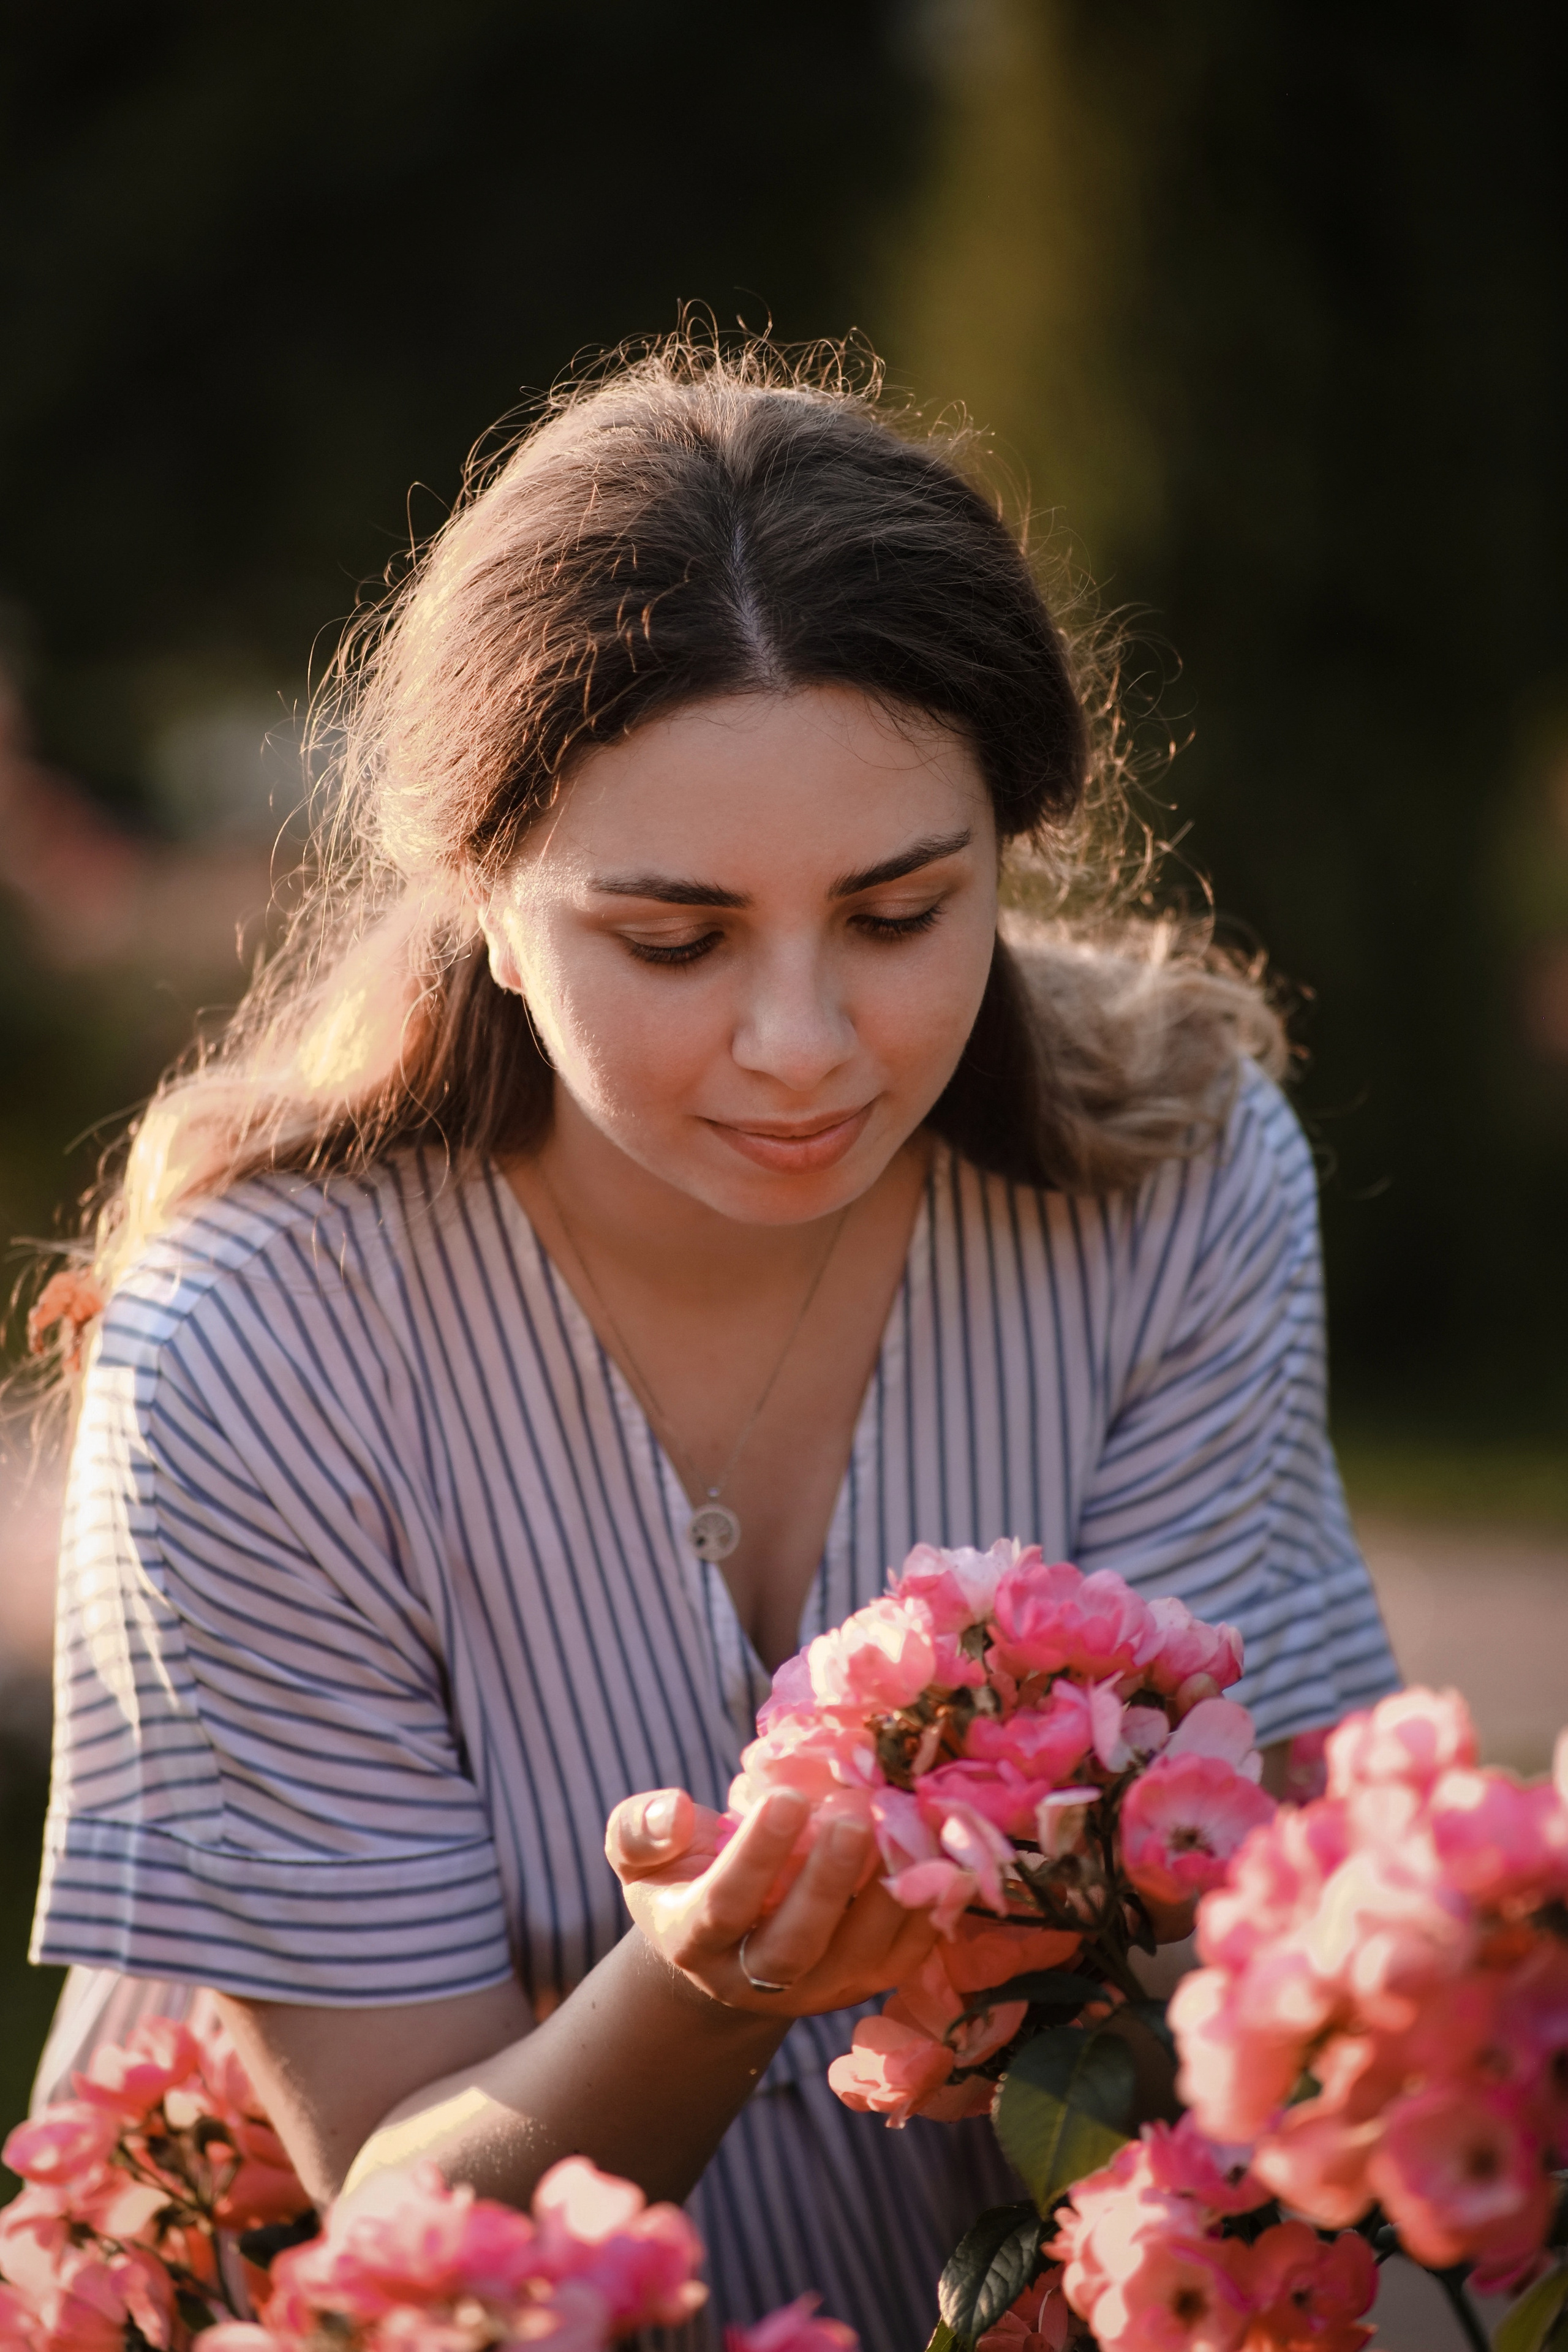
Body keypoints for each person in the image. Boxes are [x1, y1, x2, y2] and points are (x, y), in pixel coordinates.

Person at [27, 339, 1398, 2350]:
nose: (802, 1044)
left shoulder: (1179, 1189)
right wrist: (710, 1983)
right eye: (672, 940)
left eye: (901, 911)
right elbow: (399, 2207)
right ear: (483, 901)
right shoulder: (257, 1350)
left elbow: (1228, 1983)